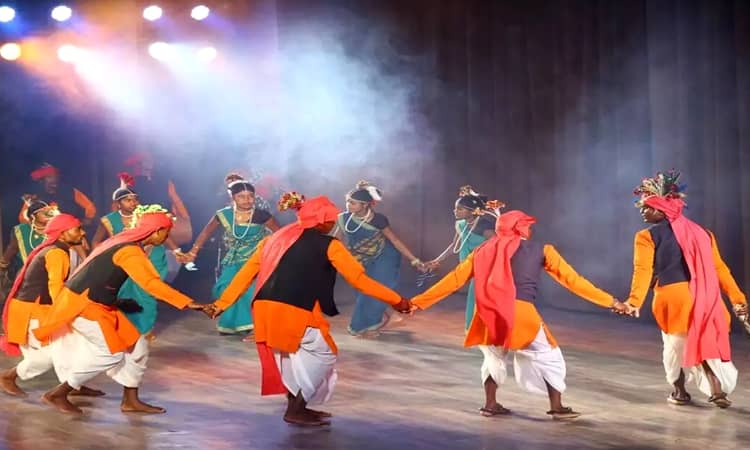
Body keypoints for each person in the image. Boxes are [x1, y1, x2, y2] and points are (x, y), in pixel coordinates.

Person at [207, 192, 411, 426]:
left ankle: (297, 406)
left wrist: (220, 304)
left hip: (265, 306)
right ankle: (296, 408)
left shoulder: (275, 238)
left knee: (291, 356)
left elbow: (247, 273)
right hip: (293, 307)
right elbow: (359, 280)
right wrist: (396, 300)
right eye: (331, 220)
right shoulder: (330, 245)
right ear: (321, 221)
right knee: (324, 353)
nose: (334, 223)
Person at [410, 206, 628, 419]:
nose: (529, 230)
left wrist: (417, 303)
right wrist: (612, 302)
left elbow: (453, 280)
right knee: (549, 355)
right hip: (520, 312)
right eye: (527, 226)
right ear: (521, 228)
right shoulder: (542, 250)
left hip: (488, 312)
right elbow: (574, 281)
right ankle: (557, 406)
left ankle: (490, 404)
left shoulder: (481, 251)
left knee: (493, 357)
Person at [33, 205, 208, 415]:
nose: (167, 236)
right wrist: (188, 303)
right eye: (166, 232)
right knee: (110, 355)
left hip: (101, 305)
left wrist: (119, 302)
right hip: (84, 305)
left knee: (138, 346)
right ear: (157, 231)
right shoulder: (129, 250)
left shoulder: (126, 242)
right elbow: (150, 283)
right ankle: (58, 393)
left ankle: (130, 400)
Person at [621, 170, 747, 408]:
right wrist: (738, 298)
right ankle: (717, 390)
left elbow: (643, 270)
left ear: (662, 210)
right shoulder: (704, 234)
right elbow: (720, 269)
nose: (642, 211)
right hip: (706, 297)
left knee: (674, 346)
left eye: (647, 207)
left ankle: (679, 392)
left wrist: (634, 301)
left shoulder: (645, 236)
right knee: (704, 340)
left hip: (674, 298)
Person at [0, 213, 103, 398]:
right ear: (63, 234)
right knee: (43, 358)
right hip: (32, 310)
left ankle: (73, 385)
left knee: (71, 345)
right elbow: (56, 289)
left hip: (41, 308)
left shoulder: (59, 249)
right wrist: (69, 312)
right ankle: (8, 377)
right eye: (77, 229)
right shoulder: (56, 253)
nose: (83, 232)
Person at [91, 175, 187, 339]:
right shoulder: (108, 220)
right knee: (125, 294)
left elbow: (164, 234)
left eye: (135, 199)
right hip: (125, 263)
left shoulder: (147, 215)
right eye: (128, 200)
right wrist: (100, 259)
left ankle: (146, 329)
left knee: (147, 294)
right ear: (118, 203)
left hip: (152, 259)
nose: (133, 203)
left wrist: (177, 251)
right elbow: (96, 241)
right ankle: (129, 327)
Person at [185, 174, 279, 337]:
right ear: (232, 198)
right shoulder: (223, 214)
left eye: (250, 196)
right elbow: (205, 233)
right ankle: (233, 324)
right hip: (233, 258)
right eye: (241, 197)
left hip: (257, 258)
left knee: (250, 291)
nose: (247, 200)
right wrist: (193, 252)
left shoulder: (261, 215)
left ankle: (256, 326)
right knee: (224, 288)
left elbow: (280, 233)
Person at [334, 180, 426, 336]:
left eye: (353, 203)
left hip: (384, 258)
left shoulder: (378, 220)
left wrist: (414, 260)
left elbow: (395, 240)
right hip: (359, 258)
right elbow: (336, 240)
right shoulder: (343, 218)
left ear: (365, 205)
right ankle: (393, 316)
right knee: (364, 292)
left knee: (372, 292)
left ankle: (369, 328)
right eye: (348, 201)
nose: (348, 205)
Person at [424, 185, 497, 330]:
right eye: (455, 208)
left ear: (473, 211)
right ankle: (474, 330)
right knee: (474, 297)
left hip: (487, 270)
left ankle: (485, 331)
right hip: (472, 268)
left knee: (483, 298)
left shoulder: (485, 227)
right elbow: (454, 245)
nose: (455, 211)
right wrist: (438, 260)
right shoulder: (461, 224)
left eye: (460, 209)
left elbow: (497, 248)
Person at [18, 163, 96, 226]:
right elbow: (22, 218)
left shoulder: (70, 191)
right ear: (41, 181)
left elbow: (89, 206)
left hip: (70, 232)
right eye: (51, 183)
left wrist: (88, 218)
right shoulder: (35, 196)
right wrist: (36, 226)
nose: (54, 186)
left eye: (56, 183)